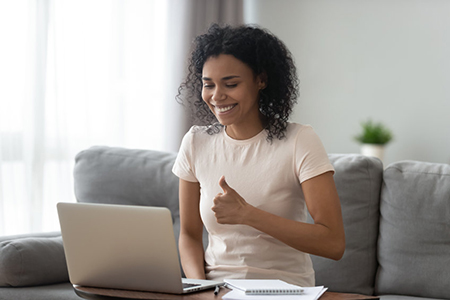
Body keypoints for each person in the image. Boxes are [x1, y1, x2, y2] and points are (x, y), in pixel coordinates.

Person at [172, 23, 345, 287]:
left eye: (230, 84)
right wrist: (200, 289)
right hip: (217, 291)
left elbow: (333, 243)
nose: (217, 96)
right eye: (209, 85)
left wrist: (247, 214)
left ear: (261, 80)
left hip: (284, 290)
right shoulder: (196, 142)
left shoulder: (299, 141)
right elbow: (189, 235)